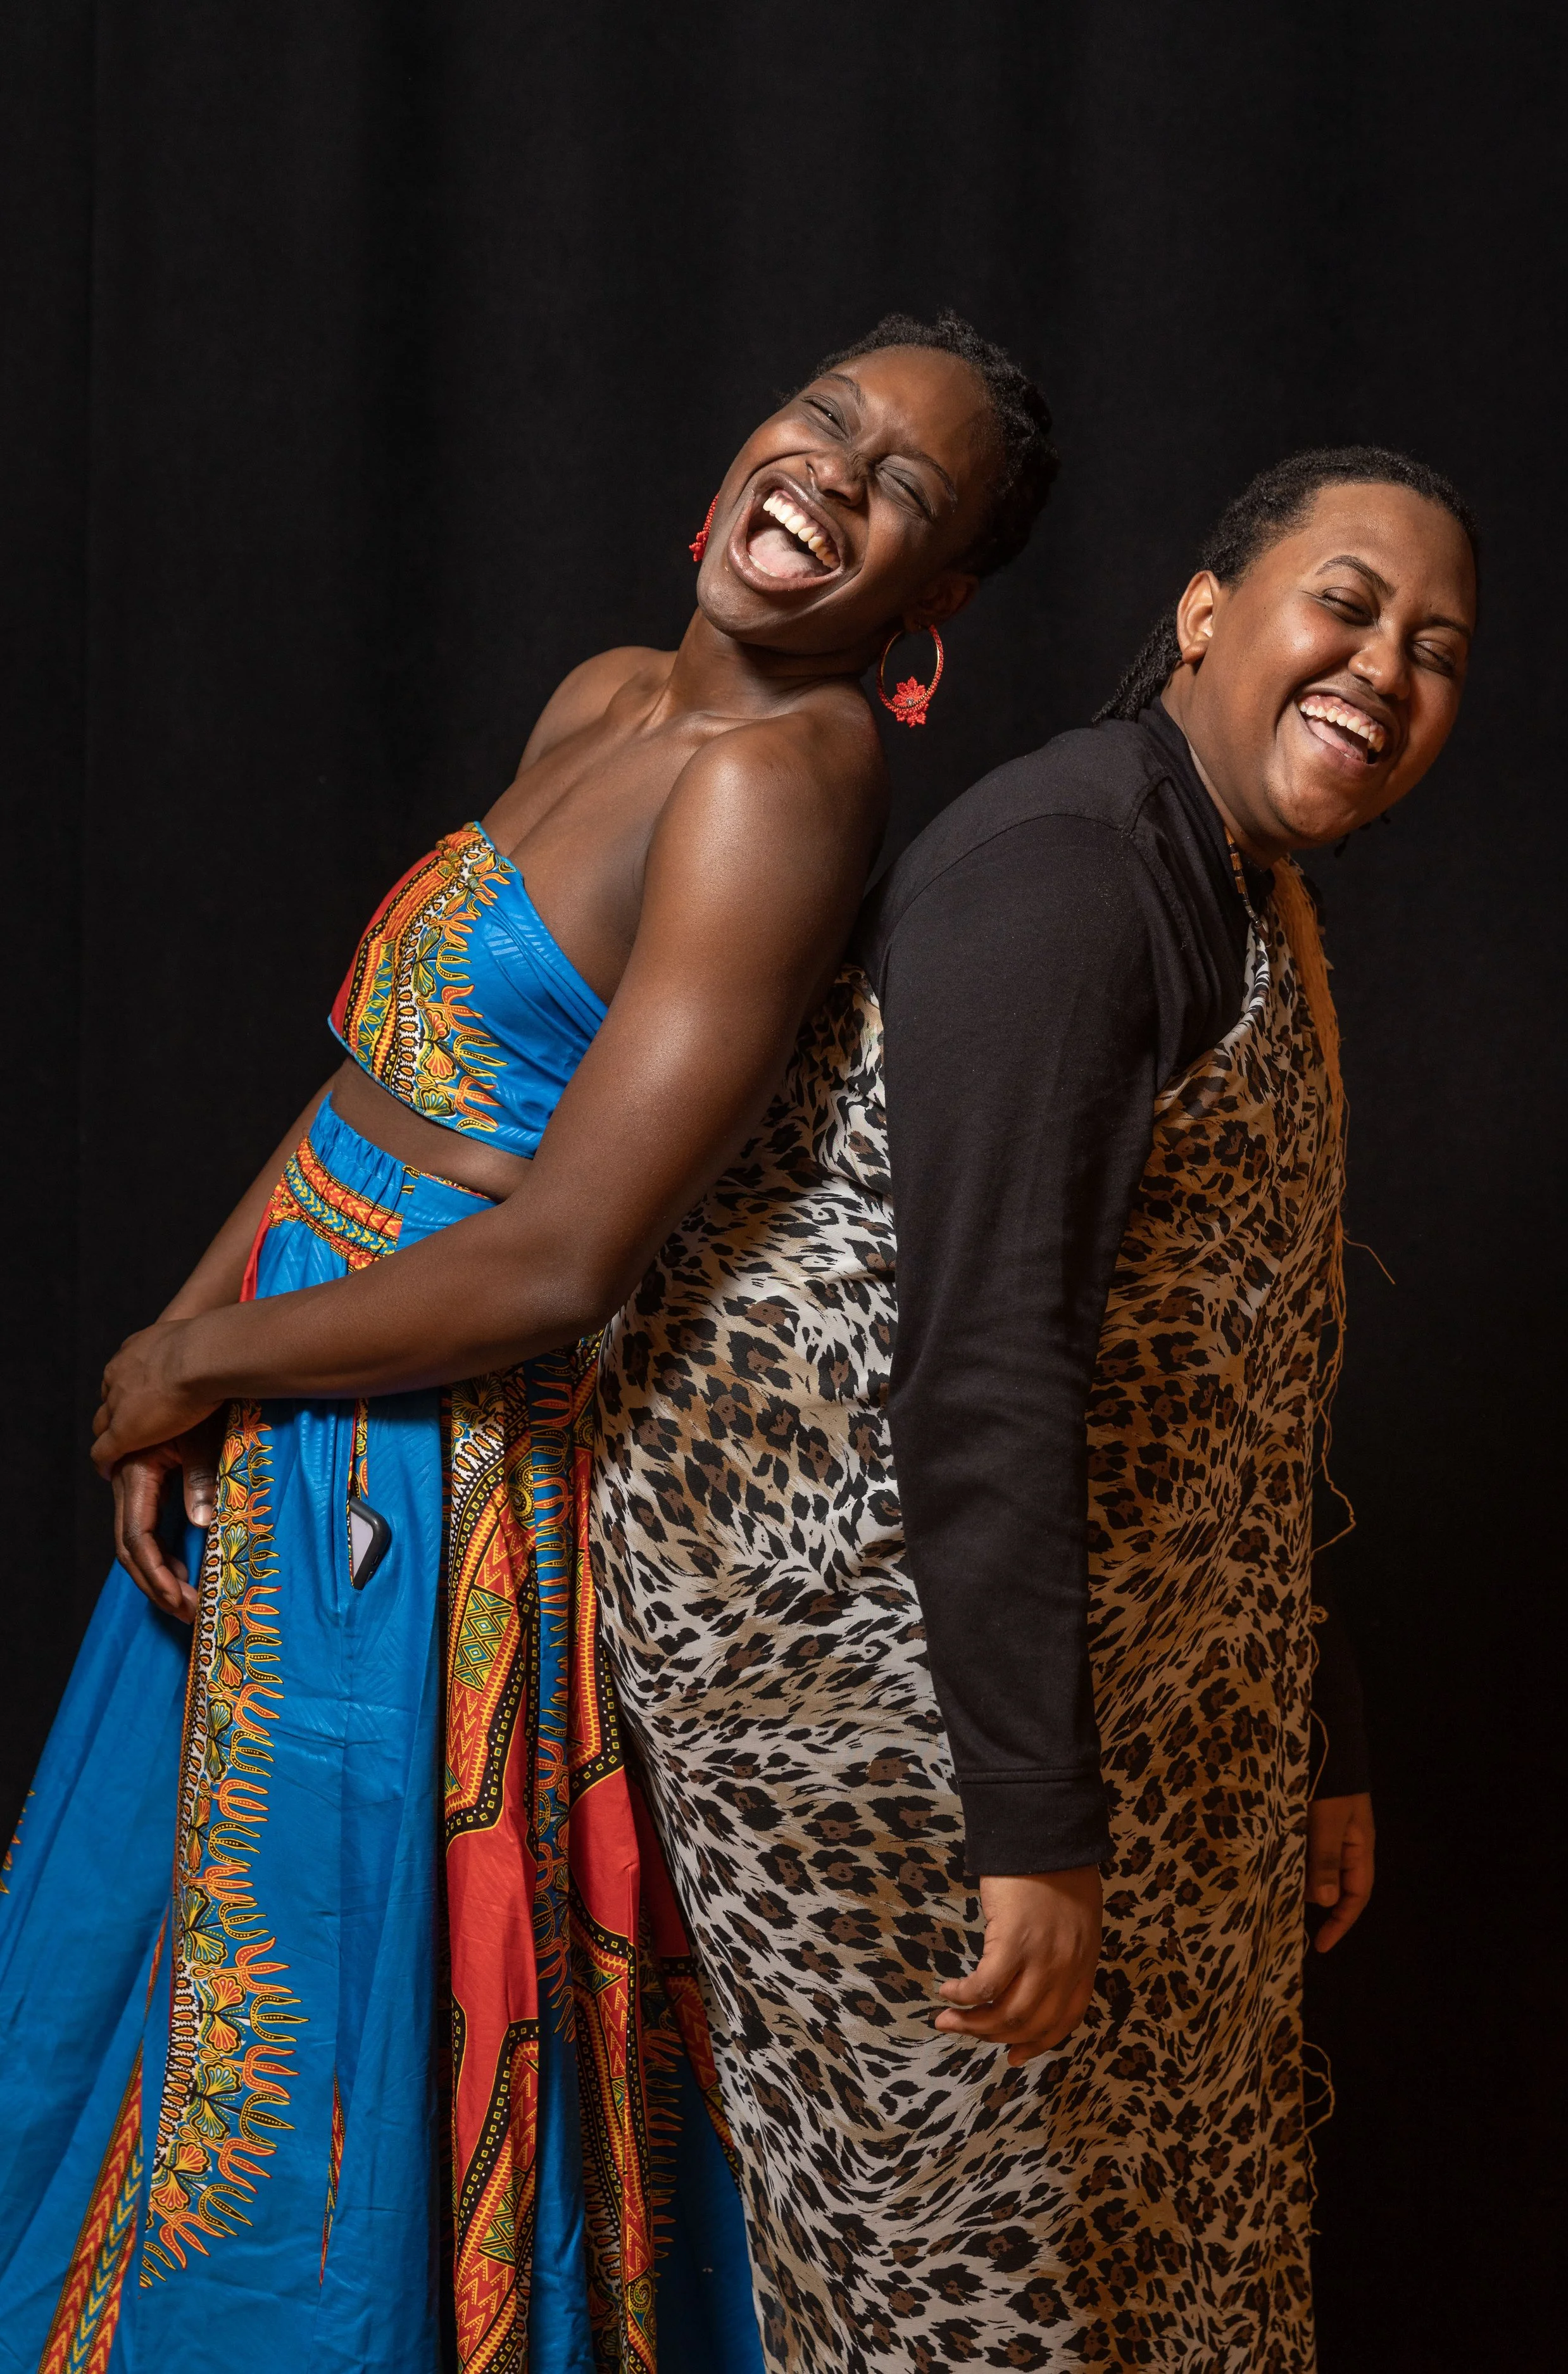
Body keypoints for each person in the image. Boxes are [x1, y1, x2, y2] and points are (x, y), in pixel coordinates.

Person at [0, 314, 1057, 2373]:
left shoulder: (787, 775)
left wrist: (222, 1366)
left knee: (312, 2056)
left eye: (902, 489)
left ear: (927, 608)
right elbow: (378, 1082)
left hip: (433, 1460)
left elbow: (570, 1249)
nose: (831, 476)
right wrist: (194, 1322)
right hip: (304, 1368)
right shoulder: (609, 693)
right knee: (148, 1956)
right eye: (827, 420)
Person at [589, 448, 1477, 2371]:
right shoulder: (1074, 872)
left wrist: (1303, 1732)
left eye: (1436, 648)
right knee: (979, 2297)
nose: (1382, 667)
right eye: (1345, 602)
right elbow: (979, 1356)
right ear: (1203, 610)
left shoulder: (1231, 883)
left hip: (1104, 1696)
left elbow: (1252, 1357)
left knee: (1175, 2251)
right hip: (888, 1714)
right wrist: (1030, 1824)